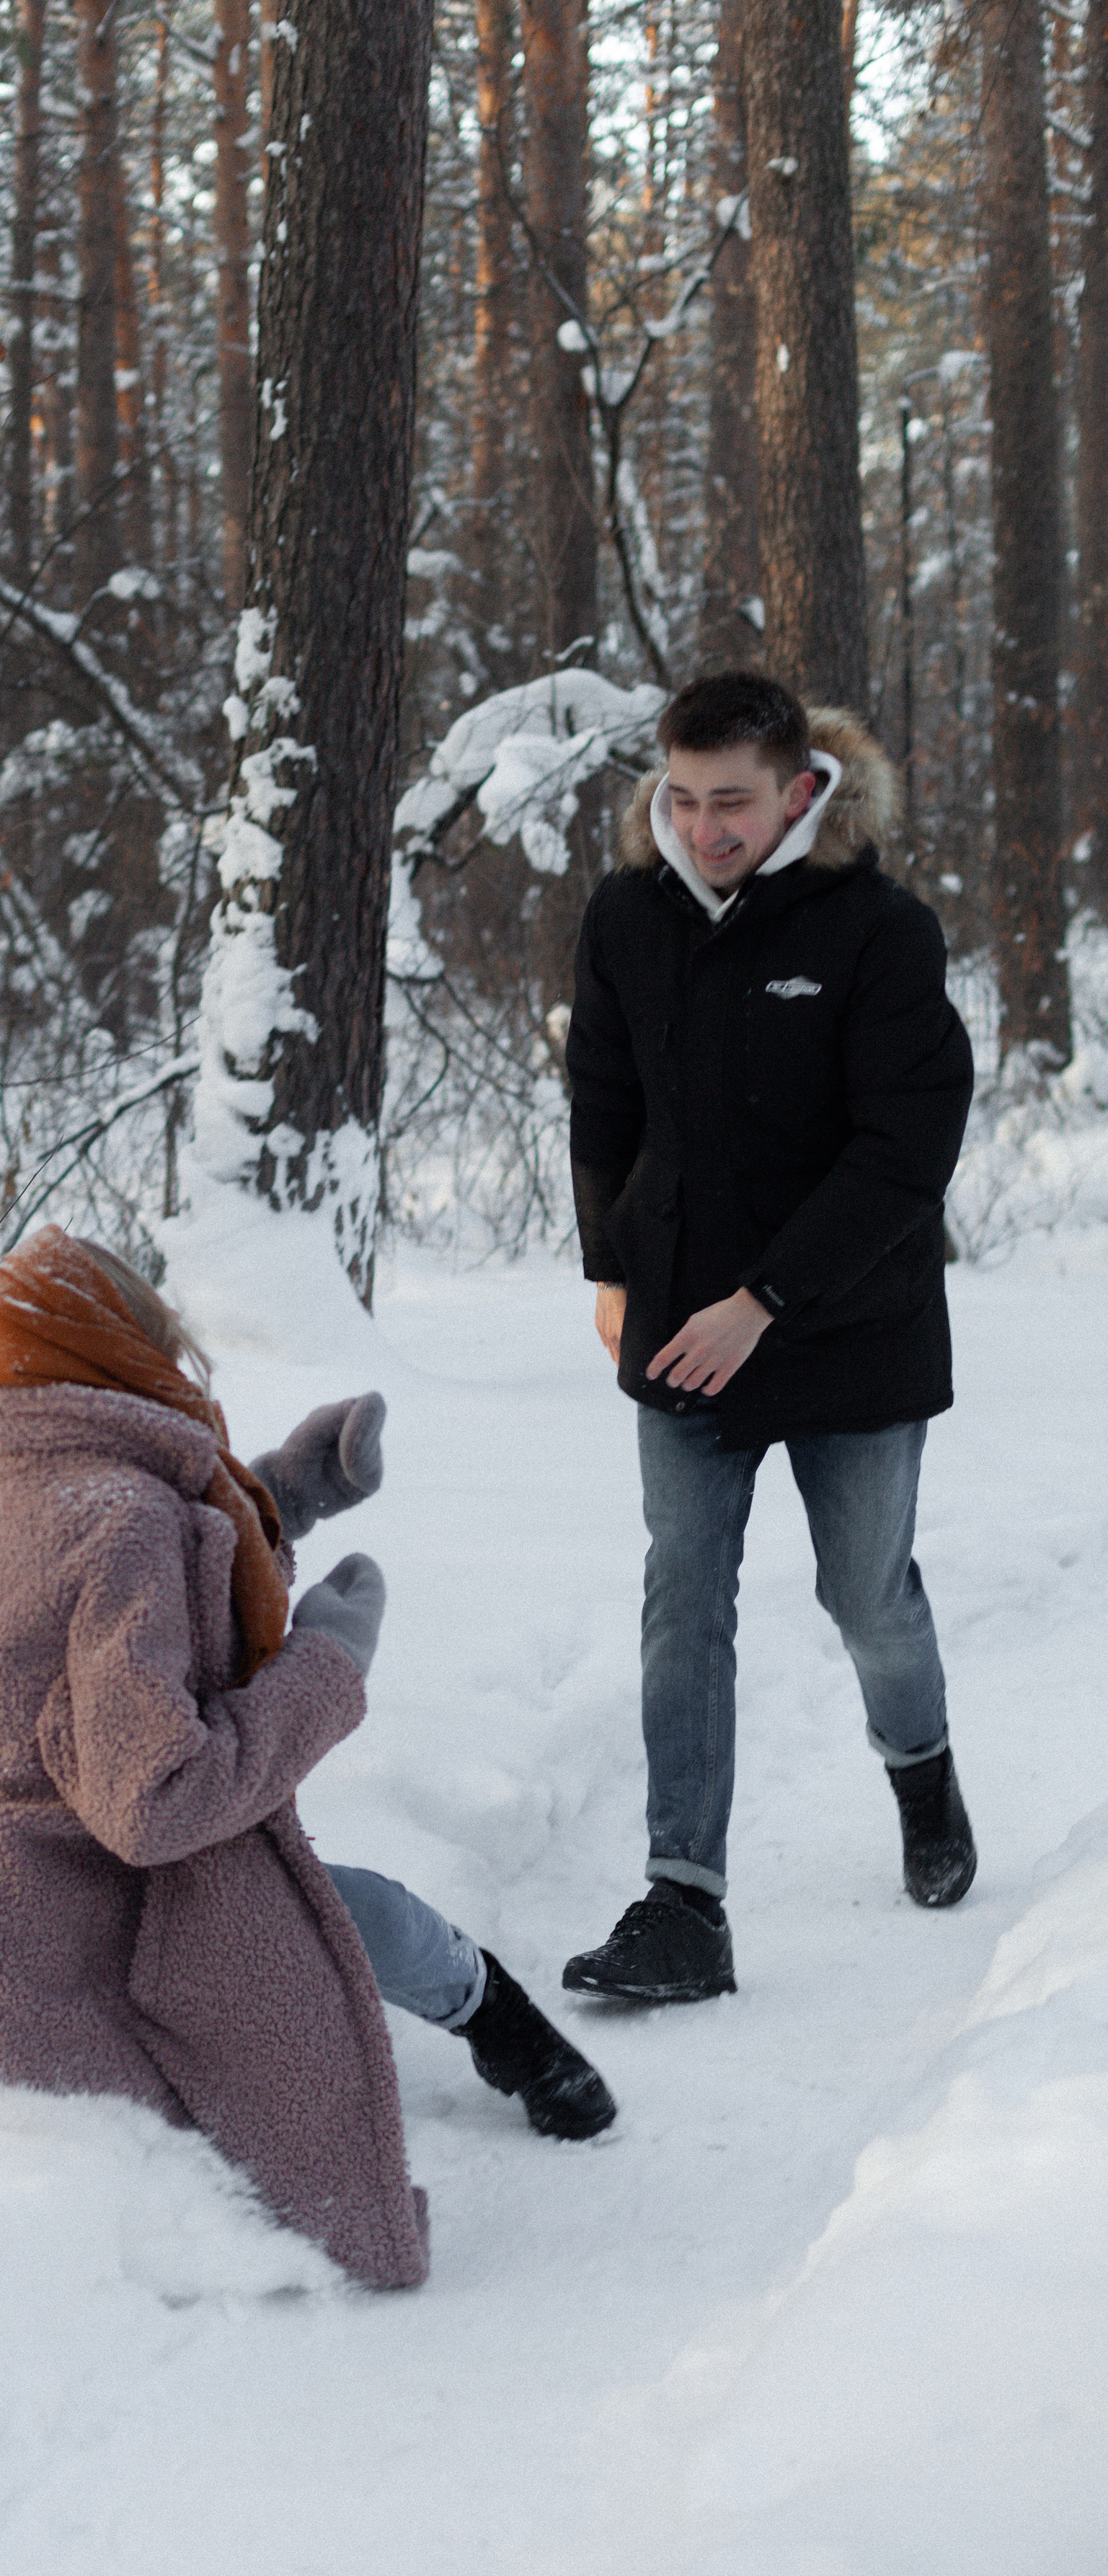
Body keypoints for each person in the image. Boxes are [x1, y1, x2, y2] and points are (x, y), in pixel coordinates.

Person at [0, 1223, 615, 2291]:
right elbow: (157, 1802)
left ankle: (503, 2028)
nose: (176, 1358)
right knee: (347, 1918)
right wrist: (327, 1664)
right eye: (152, 1338)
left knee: (311, 1899)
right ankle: (510, 2029)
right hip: (27, 1995)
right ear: (116, 1356)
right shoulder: (126, 1518)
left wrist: (285, 1492)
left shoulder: (40, 1479)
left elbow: (153, 1606)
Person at [561, 670, 976, 2004]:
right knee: (684, 1601)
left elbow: (906, 1150)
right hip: (683, 1319)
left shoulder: (878, 931)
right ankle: (684, 1905)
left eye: (730, 802)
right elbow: (603, 1101)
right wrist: (609, 1269)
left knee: (864, 1593)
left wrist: (769, 1302)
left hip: (850, 1321)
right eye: (679, 800)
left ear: (801, 789)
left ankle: (922, 1779)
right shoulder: (628, 915)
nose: (701, 829)